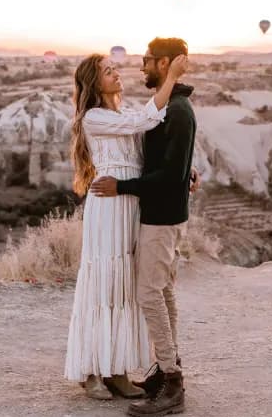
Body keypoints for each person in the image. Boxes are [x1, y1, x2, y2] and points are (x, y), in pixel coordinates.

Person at [64, 50, 189, 399]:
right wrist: (171, 79)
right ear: (94, 82)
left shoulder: (123, 109)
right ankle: (91, 370)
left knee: (124, 288)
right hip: (108, 207)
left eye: (115, 67)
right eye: (108, 71)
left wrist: (185, 171)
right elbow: (146, 121)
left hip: (130, 205)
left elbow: (145, 147)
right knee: (104, 284)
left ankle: (116, 370)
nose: (116, 73)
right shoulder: (94, 118)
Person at [91, 37, 196, 417]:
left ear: (167, 64)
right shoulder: (171, 107)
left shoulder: (179, 110)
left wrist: (122, 187)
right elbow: (167, 161)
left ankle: (172, 381)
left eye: (149, 61)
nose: (142, 68)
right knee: (163, 292)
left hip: (161, 217)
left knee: (150, 294)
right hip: (160, 214)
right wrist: (188, 172)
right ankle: (169, 368)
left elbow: (168, 173)